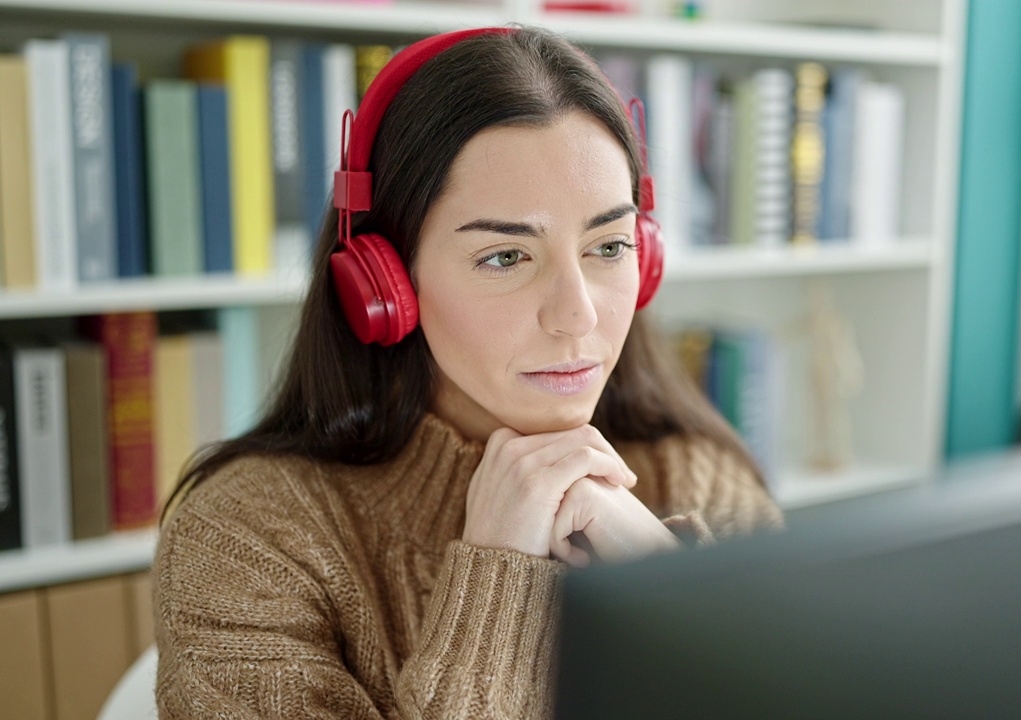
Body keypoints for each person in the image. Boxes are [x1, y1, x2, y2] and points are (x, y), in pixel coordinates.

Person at [153, 25, 783, 719]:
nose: (577, 315)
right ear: (383, 282)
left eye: (608, 246)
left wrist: (668, 582)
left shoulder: (702, 478)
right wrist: (496, 582)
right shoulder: (249, 536)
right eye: (506, 257)